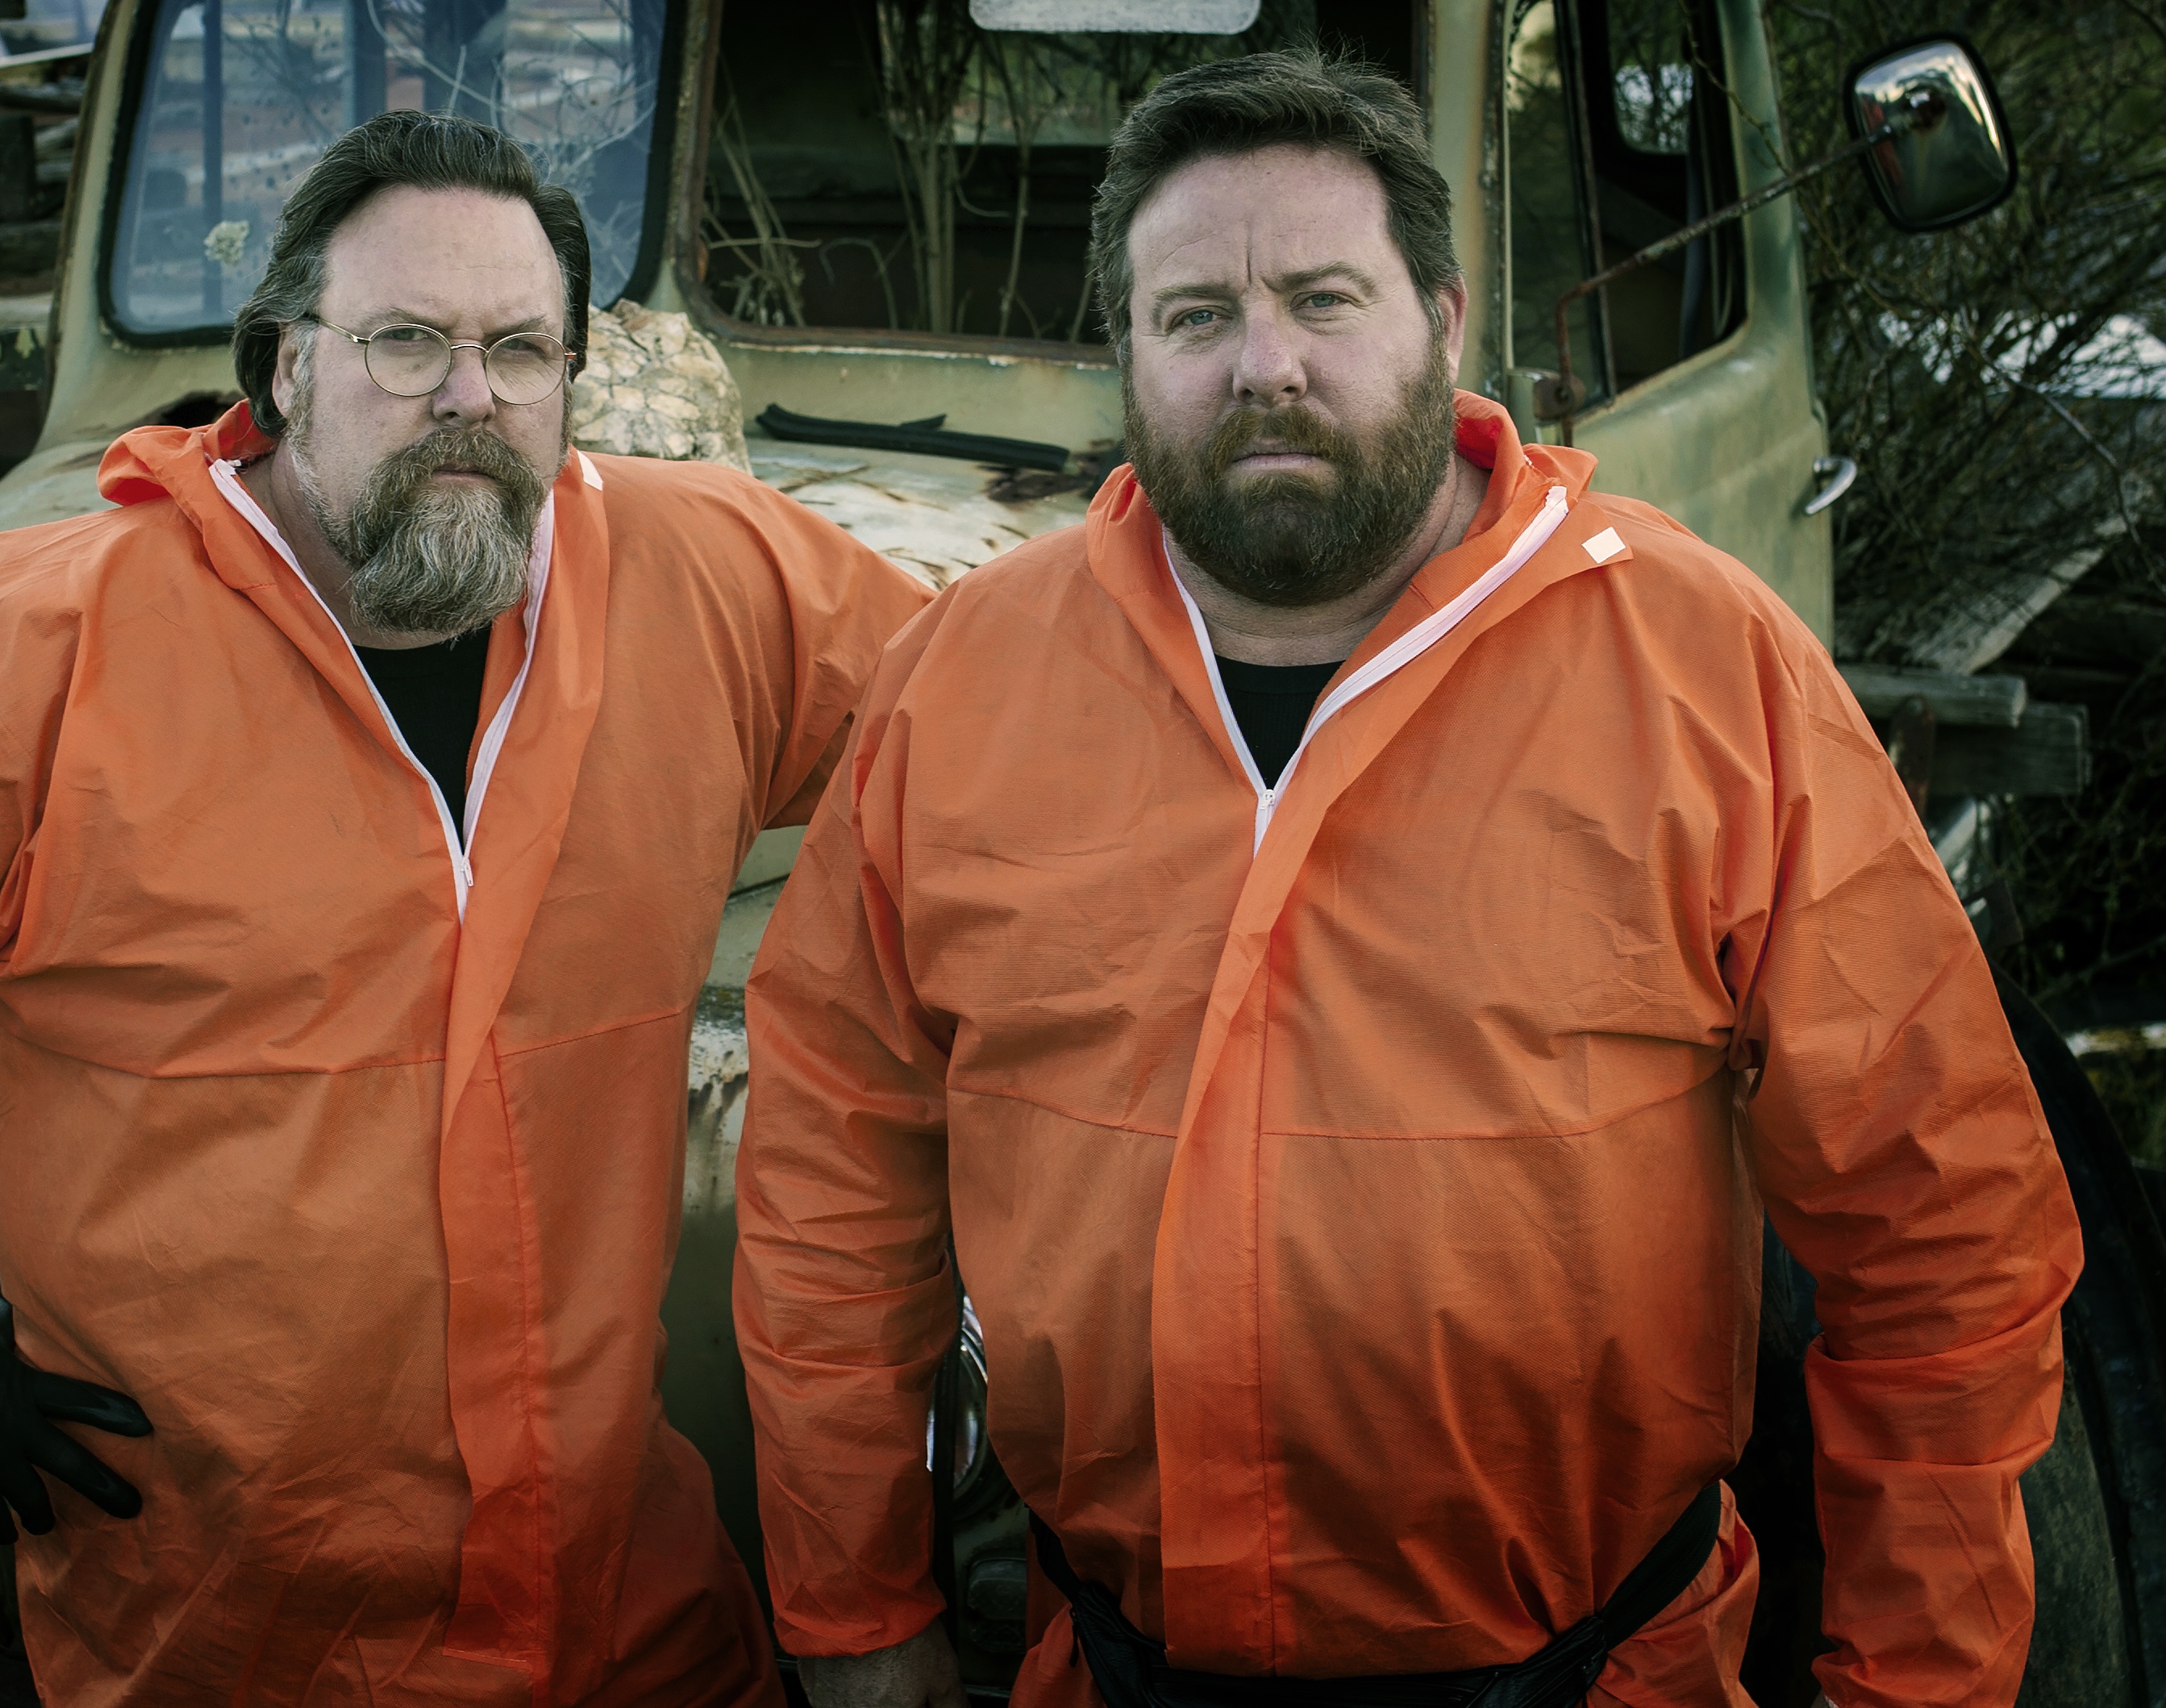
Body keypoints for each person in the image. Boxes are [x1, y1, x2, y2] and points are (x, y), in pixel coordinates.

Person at [737, 52, 2082, 1708]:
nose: (1265, 365)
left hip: (1594, 1671)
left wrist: (1920, 1684)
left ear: (1442, 324)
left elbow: (1936, 1225)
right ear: (1124, 354)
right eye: (1193, 316)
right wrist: (857, 1623)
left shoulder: (1699, 666)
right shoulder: (961, 686)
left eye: (1324, 300)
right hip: (1111, 1662)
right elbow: (828, 1193)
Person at [0, 110, 928, 1706]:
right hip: (228, 1632)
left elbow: (993, 748)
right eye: (404, 342)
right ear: (284, 367)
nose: (470, 398)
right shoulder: (43, 646)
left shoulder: (706, 582)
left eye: (521, 349)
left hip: (625, 1611)